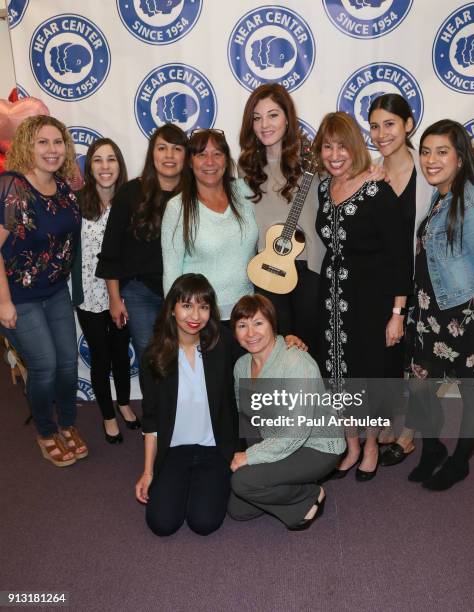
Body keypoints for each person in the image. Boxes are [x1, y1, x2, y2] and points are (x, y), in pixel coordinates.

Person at [314, 111, 412, 480]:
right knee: (337, 373)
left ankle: (371, 443)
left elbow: (400, 256)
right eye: (327, 147)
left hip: (371, 300)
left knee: (368, 373)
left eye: (341, 146)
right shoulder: (324, 188)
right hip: (331, 297)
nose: (335, 154)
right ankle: (351, 443)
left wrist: (397, 312)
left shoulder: (377, 190)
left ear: (355, 147)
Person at [405, 119, 474, 491]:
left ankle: (459, 462)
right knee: (420, 386)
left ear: (460, 157)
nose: (431, 160)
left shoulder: (470, 199)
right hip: (428, 313)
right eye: (425, 151)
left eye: (442, 152)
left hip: (464, 316)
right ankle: (432, 449)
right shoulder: (441, 194)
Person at [0, 115, 87, 466]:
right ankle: (47, 431)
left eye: (57, 142)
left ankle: (67, 424)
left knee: (67, 363)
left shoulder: (65, 188)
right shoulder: (12, 187)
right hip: (18, 297)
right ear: (26, 146)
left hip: (55, 292)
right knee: (45, 365)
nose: (52, 150)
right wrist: (3, 302)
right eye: (42, 142)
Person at [227, 294, 345, 530]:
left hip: (317, 446)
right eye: (242, 325)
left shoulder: (296, 362)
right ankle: (289, 487)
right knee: (237, 510)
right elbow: (243, 409)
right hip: (279, 439)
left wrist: (251, 457)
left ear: (272, 323)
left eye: (258, 323)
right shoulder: (241, 366)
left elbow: (297, 432)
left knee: (243, 482)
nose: (250, 333)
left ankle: (309, 495)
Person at [135, 273, 239, 536]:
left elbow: (258, 345)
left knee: (204, 523)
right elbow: (150, 418)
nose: (195, 316)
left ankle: (204, 484)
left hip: (214, 448)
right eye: (187, 305)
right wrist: (148, 472)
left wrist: (288, 341)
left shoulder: (222, 343)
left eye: (203, 307)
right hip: (174, 449)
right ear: (172, 309)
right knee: (162, 524)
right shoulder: (154, 356)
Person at [368, 93, 434, 466]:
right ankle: (392, 423)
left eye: (389, 124)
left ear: (408, 124)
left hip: (422, 284)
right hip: (383, 283)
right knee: (390, 357)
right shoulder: (371, 172)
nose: (381, 133)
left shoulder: (427, 172)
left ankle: (409, 434)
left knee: (418, 359)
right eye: (375, 126)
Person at [238, 83, 324, 358]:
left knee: (309, 346)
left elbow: (347, 181)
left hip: (309, 266)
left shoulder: (313, 161)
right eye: (257, 117)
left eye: (273, 115)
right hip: (268, 268)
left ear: (288, 117)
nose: (265, 124)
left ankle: (312, 401)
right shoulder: (246, 166)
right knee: (276, 348)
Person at [96, 123, 188, 367]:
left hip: (184, 293)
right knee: (151, 361)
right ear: (152, 154)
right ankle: (156, 407)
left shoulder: (194, 194)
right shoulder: (130, 192)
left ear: (185, 156)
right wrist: (114, 299)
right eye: (162, 148)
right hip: (140, 294)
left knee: (185, 360)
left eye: (177, 148)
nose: (169, 155)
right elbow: (111, 250)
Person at [72, 138, 136, 443]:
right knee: (100, 356)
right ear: (90, 166)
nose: (105, 166)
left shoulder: (130, 203)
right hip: (88, 293)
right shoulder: (77, 202)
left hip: (120, 293)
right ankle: (107, 416)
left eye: (111, 159)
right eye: (98, 159)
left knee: (121, 353)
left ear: (119, 165)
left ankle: (123, 402)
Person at [161, 129, 258, 323]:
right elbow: (171, 272)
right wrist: (178, 321)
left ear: (226, 160)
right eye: (201, 154)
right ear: (190, 161)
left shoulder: (244, 192)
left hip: (248, 316)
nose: (210, 162)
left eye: (217, 154)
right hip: (201, 320)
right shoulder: (177, 207)